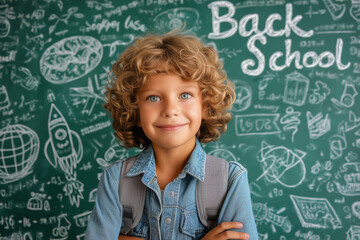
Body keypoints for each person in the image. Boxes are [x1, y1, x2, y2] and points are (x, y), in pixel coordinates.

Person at [85, 32, 258, 240]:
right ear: (135, 110)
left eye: (185, 95)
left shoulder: (230, 180)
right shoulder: (115, 180)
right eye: (154, 97)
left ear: (205, 104)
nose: (170, 110)